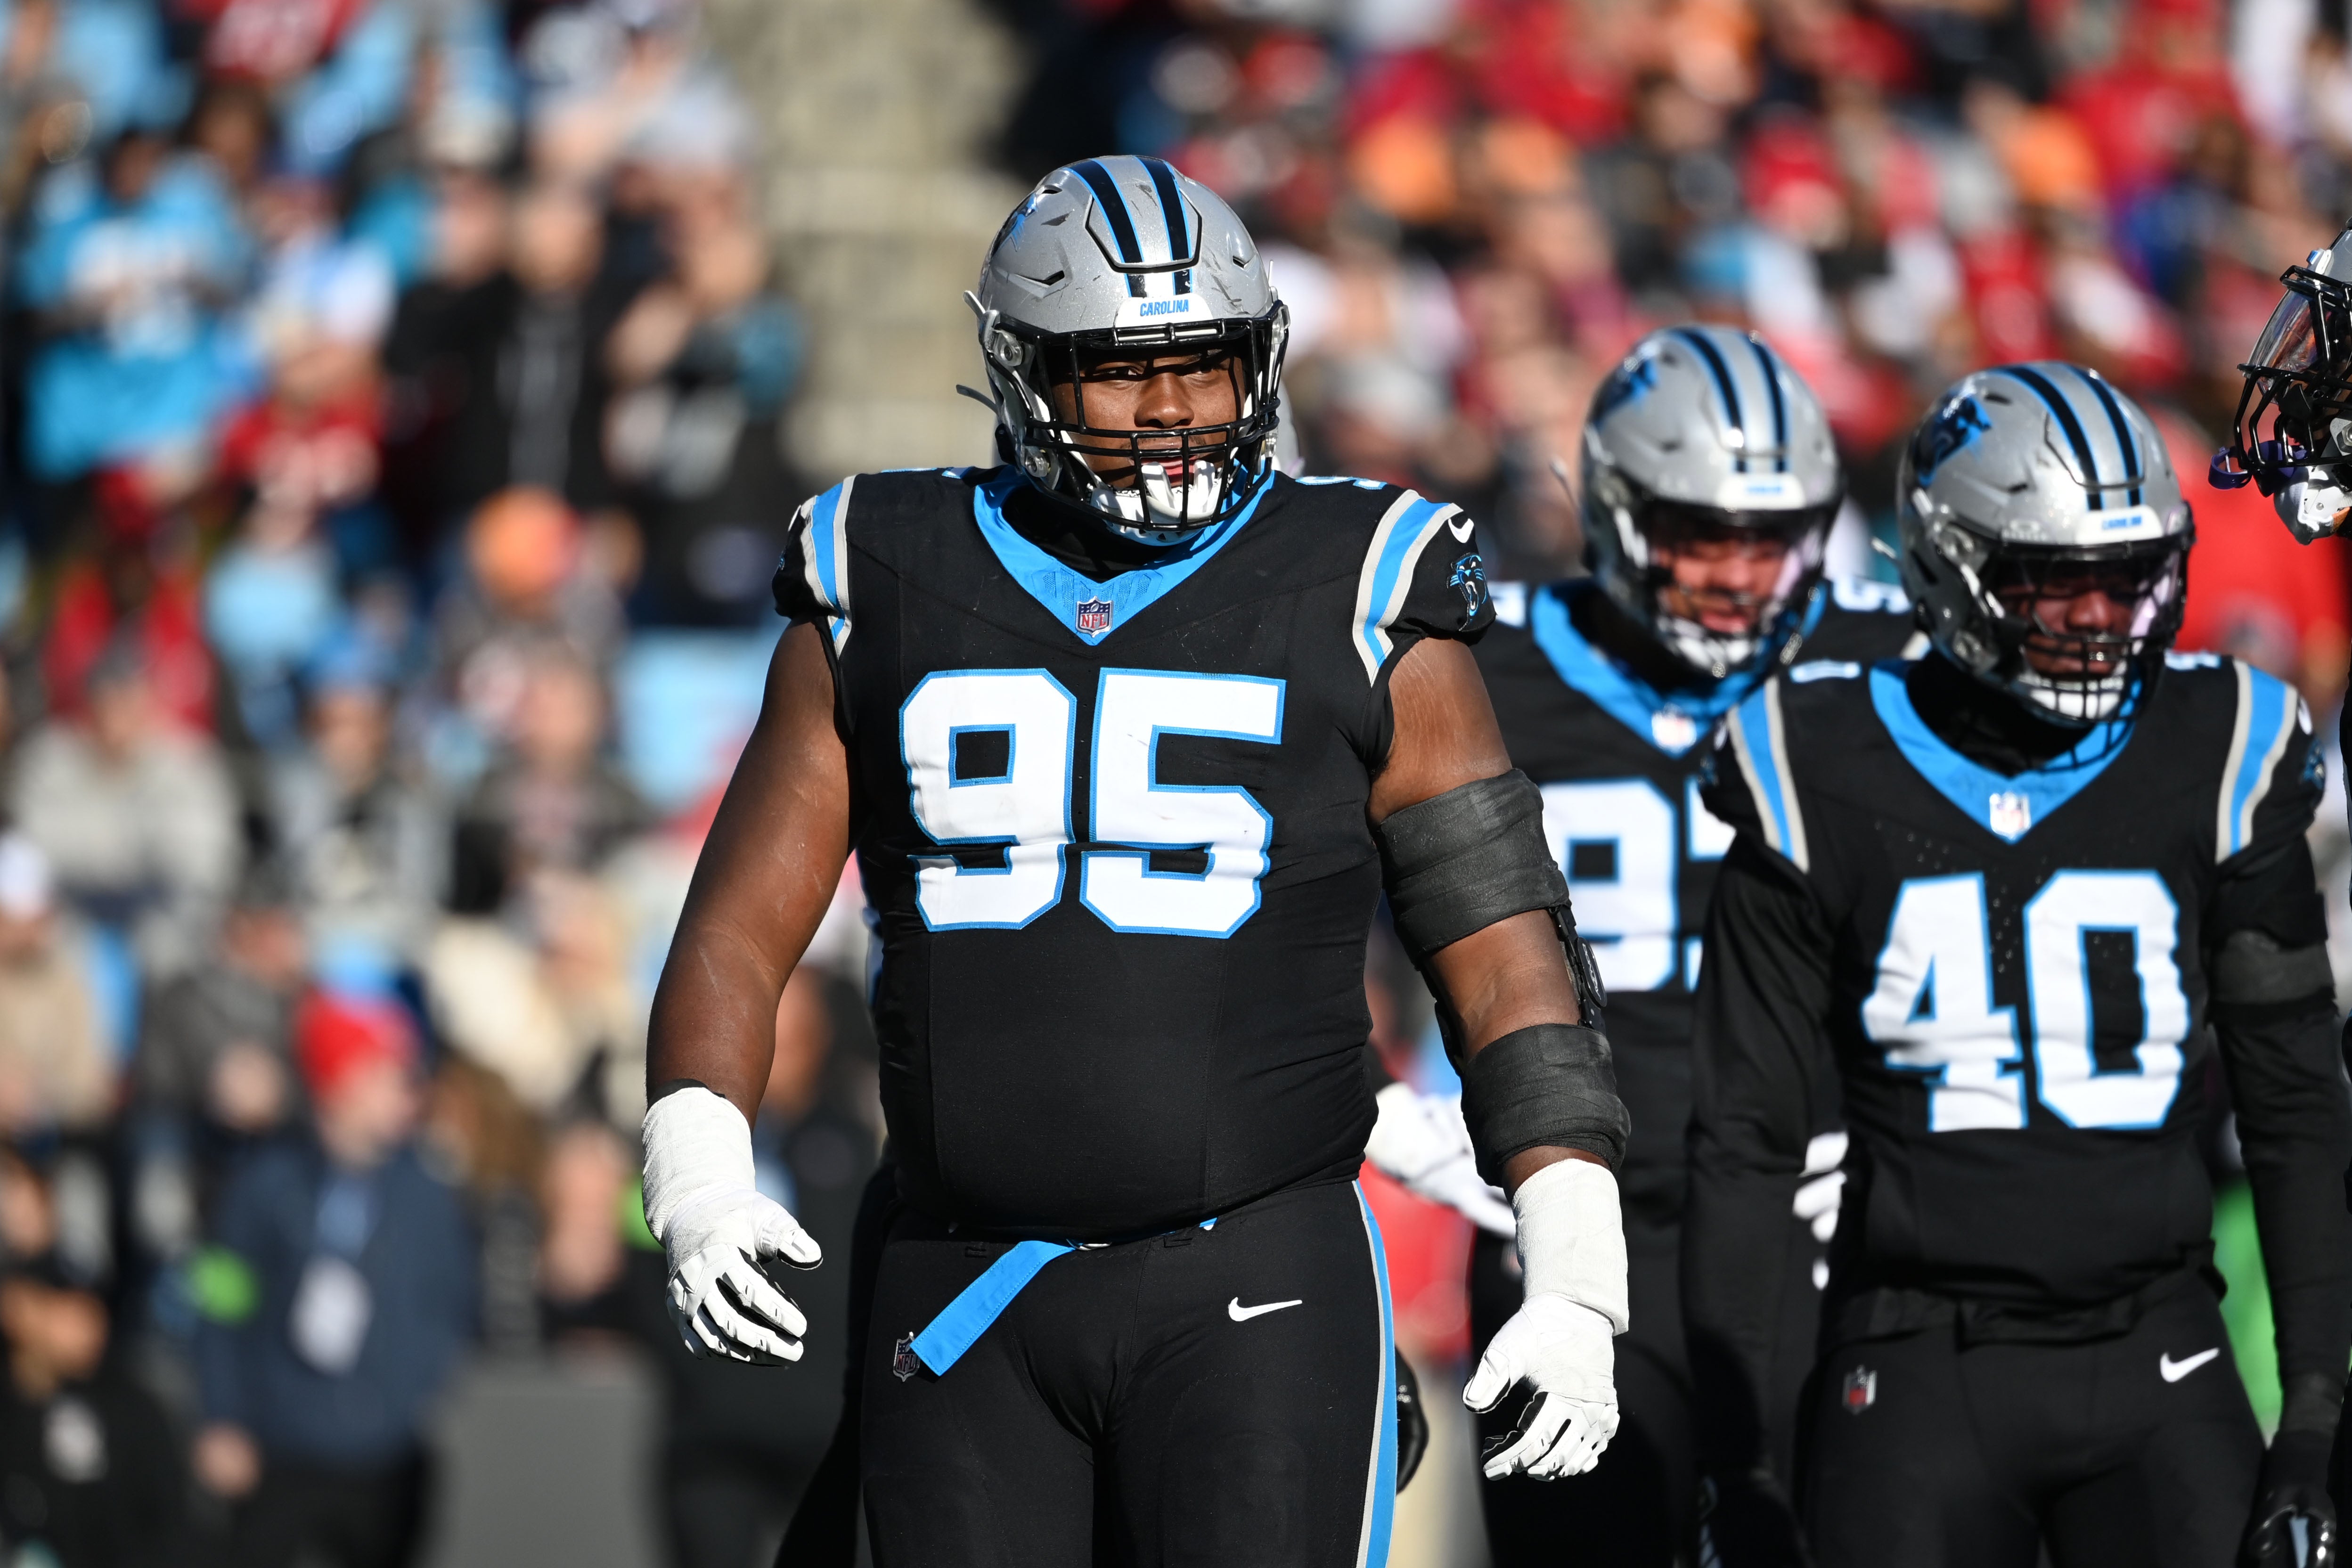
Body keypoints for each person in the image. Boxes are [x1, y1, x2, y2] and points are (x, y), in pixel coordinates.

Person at [640, 154, 1632, 1567]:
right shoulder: (887, 571)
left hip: (1256, 1280)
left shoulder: (1357, 580)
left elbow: (1501, 942)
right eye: (1121, 371)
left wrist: (1574, 1264)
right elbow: (739, 926)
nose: (1172, 408)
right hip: (963, 1275)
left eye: (1204, 363)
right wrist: (697, 1170)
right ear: (1021, 369)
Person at [1683, 363, 2352, 1568]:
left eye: (2128, 578)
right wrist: (1739, 1465)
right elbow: (1744, 1139)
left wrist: (2312, 1412)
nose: (2101, 618)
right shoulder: (1817, 758)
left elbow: (2296, 1103)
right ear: (1950, 564)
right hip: (1914, 1358)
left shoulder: (2218, 742)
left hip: (2161, 1347)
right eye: (2056, 581)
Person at [1368, 324, 1915, 1565]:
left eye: (1771, 537)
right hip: (1568, 1215)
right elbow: (1294, 885)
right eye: (1698, 535)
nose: (1737, 574)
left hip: (1816, 1215)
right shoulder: (1474, 659)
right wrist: (1391, 1109)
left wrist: (1915, 1122)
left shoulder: (1887, 665)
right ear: (1615, 512)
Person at [193, 992, 476, 1568]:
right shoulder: (261, 1187)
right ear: (339, 1083)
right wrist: (223, 1414)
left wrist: (413, 1399)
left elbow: (451, 1304)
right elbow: (219, 1304)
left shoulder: (428, 1195)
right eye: (386, 1076)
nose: (408, 1093)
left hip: (386, 1459)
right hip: (281, 1450)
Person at [0, 1252, 185, 1567]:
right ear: (20, 1309)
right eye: (72, 1310)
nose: (92, 1327)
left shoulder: (130, 1405)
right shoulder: (11, 1408)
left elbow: (169, 1521)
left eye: (96, 1310)